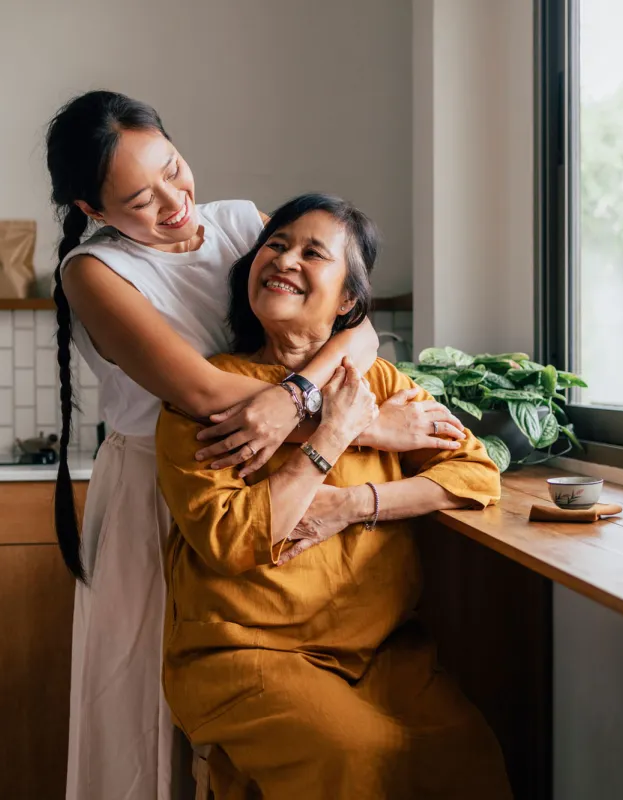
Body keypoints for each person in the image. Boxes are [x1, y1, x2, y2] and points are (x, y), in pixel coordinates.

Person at [46, 92, 467, 800]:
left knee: (274, 727)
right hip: (164, 491)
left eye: (174, 170)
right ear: (93, 211)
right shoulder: (93, 273)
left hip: (277, 477)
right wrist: (357, 424)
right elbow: (205, 395)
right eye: (139, 200)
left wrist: (295, 404)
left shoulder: (241, 222)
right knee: (148, 715)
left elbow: (355, 327)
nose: (174, 202)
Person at [155, 194, 513, 799]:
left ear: (348, 300)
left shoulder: (376, 380)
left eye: (312, 252)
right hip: (246, 652)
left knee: (467, 752)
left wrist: (353, 505)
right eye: (276, 244)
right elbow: (233, 539)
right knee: (357, 759)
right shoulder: (207, 394)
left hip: (381, 653)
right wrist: (336, 433)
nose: (285, 259)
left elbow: (476, 473)